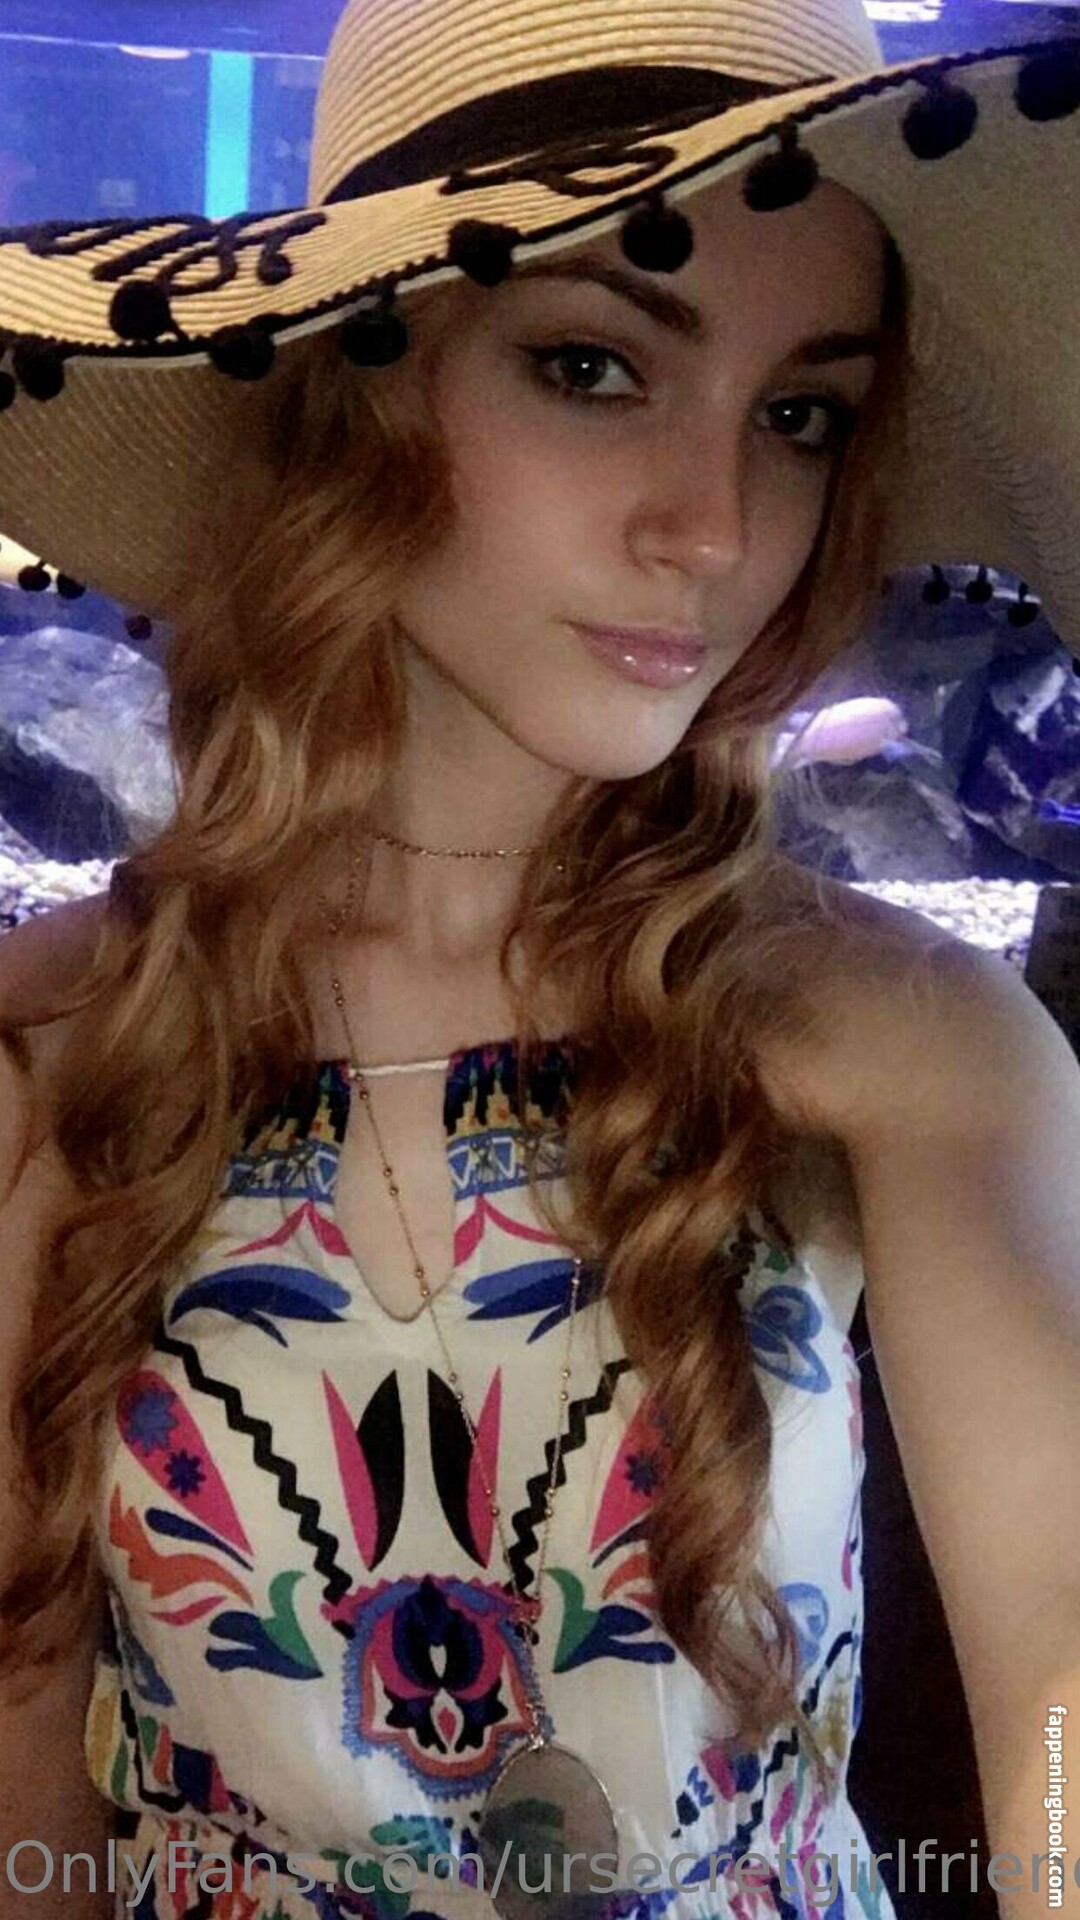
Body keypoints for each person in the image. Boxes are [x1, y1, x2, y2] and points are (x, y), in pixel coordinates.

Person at [0, 2, 1078, 1917]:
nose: (715, 528)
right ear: (350, 390)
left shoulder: (899, 1042)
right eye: (593, 366)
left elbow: (1063, 1666)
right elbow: (23, 1812)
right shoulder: (64, 1051)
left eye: (799, 414)